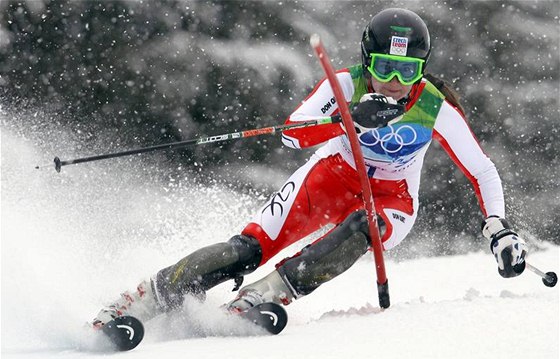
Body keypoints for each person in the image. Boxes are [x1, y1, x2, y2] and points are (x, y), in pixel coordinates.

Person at [90, 8, 528, 329]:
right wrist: (347, 117)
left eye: (407, 70)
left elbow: (482, 170)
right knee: (248, 248)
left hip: (392, 197)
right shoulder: (343, 84)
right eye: (384, 68)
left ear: (422, 70)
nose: (395, 81)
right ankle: (142, 299)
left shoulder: (435, 106)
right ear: (367, 61)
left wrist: (498, 228)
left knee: (367, 226)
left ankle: (264, 295)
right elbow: (291, 132)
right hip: (331, 176)